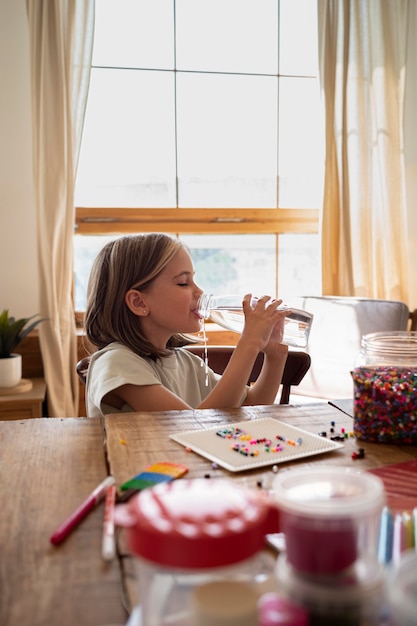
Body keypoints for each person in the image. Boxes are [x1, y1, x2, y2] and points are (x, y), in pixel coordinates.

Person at [84, 233, 289, 418]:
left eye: (194, 280)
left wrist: (274, 355)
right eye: (183, 283)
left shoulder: (187, 363)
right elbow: (192, 427)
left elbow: (249, 406)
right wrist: (249, 344)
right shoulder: (115, 363)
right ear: (139, 303)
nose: (199, 292)